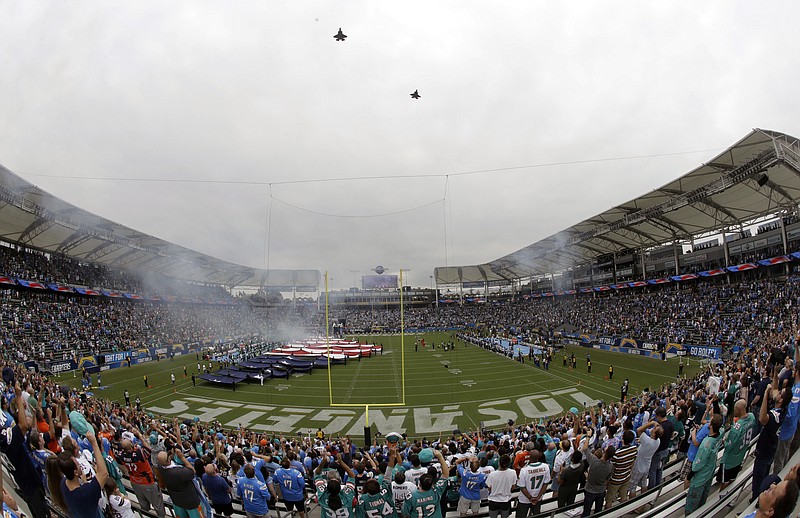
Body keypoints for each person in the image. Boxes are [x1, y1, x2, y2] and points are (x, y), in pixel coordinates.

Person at [0, 383, 49, 518]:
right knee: (40, 511)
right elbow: (22, 426)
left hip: (27, 479)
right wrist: (18, 394)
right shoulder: (4, 439)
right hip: (29, 484)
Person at [59, 431, 109, 518]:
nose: (79, 465)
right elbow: (104, 474)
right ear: (75, 472)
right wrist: (94, 443)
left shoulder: (64, 483)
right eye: (77, 464)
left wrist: (85, 482)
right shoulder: (86, 492)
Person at [115, 438, 166, 517]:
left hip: (134, 481)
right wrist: (140, 436)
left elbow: (125, 452)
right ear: (131, 446)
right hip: (147, 482)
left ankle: (146, 515)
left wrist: (131, 447)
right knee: (158, 504)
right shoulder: (139, 454)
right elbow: (148, 449)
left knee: (143, 504)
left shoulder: (121, 455)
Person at [685, 414, 723, 513]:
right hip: (709, 472)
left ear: (710, 426)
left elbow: (697, 465)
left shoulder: (706, 444)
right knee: (702, 502)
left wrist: (688, 477)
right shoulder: (721, 433)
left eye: (710, 421)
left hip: (700, 478)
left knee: (692, 506)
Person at [718, 399, 756, 491]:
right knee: (732, 479)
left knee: (725, 481)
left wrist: (724, 441)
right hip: (740, 456)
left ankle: (721, 498)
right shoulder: (752, 417)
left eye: (735, 410)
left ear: (739, 410)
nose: (733, 412)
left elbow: (728, 445)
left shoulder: (736, 428)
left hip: (729, 460)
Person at [403, 449, 449, 518]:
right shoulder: (436, 491)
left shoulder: (410, 497)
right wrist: (440, 457)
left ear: (420, 484)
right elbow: (445, 475)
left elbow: (405, 514)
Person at [157, 449, 202, 518]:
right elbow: (193, 471)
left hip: (176, 500)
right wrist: (182, 457)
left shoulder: (160, 467)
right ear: (168, 459)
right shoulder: (178, 472)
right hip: (191, 502)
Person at [315, 453, 357, 518]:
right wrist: (341, 462)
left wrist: (322, 462)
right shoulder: (347, 497)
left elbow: (317, 474)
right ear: (340, 487)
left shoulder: (322, 496)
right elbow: (352, 475)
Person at [580, 438, 614, 517]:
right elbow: (606, 481)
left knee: (586, 512)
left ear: (604, 452)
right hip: (601, 491)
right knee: (598, 512)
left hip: (590, 491)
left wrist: (588, 437)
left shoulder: (594, 461)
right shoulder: (611, 467)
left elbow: (585, 448)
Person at [605, 429, 637, 509]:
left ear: (622, 439)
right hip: (626, 477)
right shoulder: (634, 449)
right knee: (623, 497)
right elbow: (632, 462)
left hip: (616, 479)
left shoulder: (617, 454)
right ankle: (621, 513)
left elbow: (611, 467)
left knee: (609, 500)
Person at [515, 449, 550, 517]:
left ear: (529, 458)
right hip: (538, 497)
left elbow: (522, 487)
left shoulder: (524, 470)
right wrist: (538, 497)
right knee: (536, 515)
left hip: (524, 499)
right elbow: (545, 484)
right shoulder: (546, 467)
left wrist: (530, 498)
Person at [648, 407, 673, 490]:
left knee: (653, 472)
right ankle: (657, 488)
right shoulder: (670, 423)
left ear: (659, 416)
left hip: (658, 451)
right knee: (659, 470)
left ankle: (651, 491)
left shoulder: (661, 427)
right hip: (665, 450)